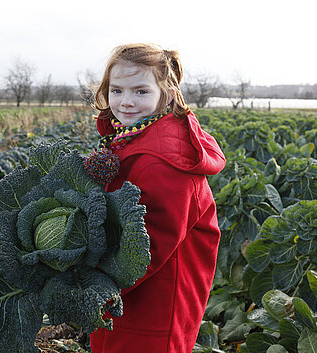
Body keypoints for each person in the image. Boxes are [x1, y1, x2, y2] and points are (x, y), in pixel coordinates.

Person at [89, 43, 226, 353]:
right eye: (117, 90)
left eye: (140, 91)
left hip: (155, 306)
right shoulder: (129, 138)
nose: (125, 102)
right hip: (126, 299)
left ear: (166, 93)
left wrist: (92, 287)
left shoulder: (164, 161)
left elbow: (144, 250)